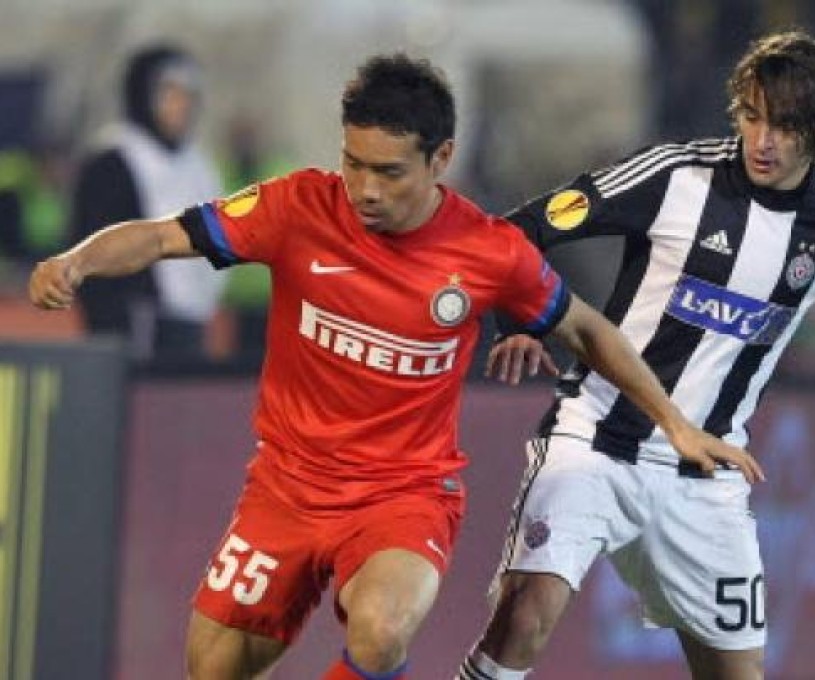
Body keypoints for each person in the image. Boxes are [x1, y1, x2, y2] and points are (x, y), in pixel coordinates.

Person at [28, 54, 763, 680]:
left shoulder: (489, 252)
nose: (366, 189)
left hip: (402, 496)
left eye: (389, 171)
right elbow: (163, 238)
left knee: (380, 630)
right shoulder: (296, 207)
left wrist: (674, 423)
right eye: (353, 163)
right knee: (209, 666)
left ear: (441, 159)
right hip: (284, 488)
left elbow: (588, 330)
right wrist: (78, 258)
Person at [457, 30, 815, 680]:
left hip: (705, 471)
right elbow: (521, 229)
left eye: (783, 125)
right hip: (595, 439)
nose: (762, 140)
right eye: (752, 116)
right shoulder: (673, 176)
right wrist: (517, 314)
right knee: (525, 613)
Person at [67, 43, 225, 362]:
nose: (181, 105)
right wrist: (115, 321)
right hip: (131, 329)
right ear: (144, 94)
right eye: (170, 92)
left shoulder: (200, 165)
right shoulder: (113, 161)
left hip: (189, 324)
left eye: (189, 95)